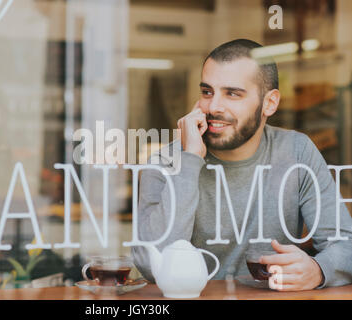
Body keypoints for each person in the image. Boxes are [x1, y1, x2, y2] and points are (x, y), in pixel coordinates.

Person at [132, 39, 352, 291]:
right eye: (207, 92)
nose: (213, 106)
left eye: (232, 93)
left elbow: (346, 246)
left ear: (270, 103)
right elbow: (150, 265)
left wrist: (318, 270)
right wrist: (190, 159)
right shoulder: (165, 161)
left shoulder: (296, 151)